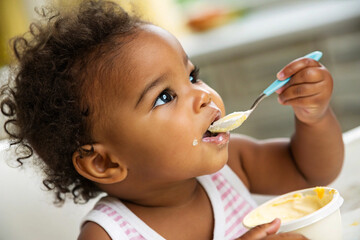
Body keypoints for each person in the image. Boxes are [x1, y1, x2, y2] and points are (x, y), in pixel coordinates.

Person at [0, 0, 344, 239]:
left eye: (193, 76)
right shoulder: (108, 234)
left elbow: (309, 170)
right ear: (104, 162)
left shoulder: (231, 168)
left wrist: (314, 117)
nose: (203, 95)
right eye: (164, 96)